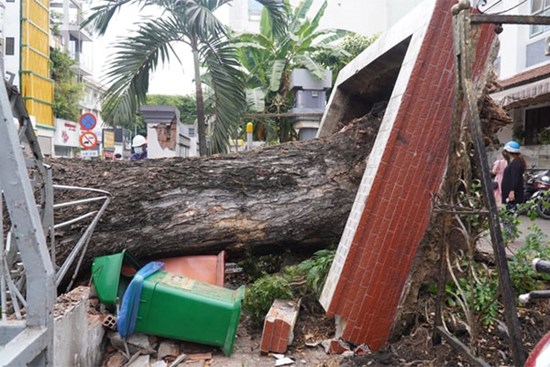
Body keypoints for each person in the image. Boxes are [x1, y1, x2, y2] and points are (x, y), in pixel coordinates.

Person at [500, 140, 526, 210]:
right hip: (510, 193)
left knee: (510, 213)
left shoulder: (516, 163)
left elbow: (515, 178)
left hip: (512, 194)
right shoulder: (514, 162)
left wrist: (512, 191)